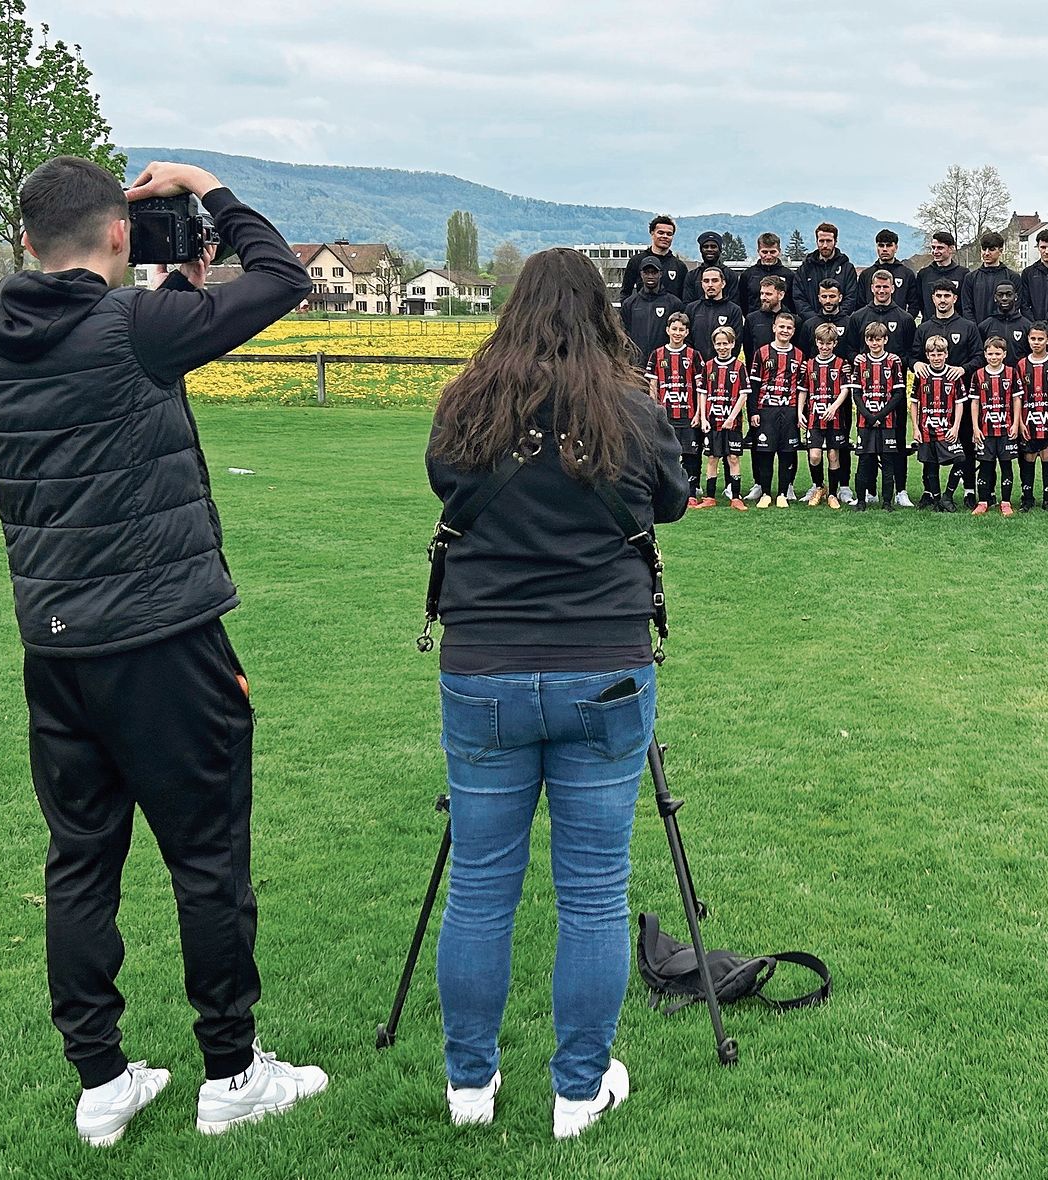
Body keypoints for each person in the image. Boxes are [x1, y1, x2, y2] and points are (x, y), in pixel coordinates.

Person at [0, 156, 325, 1147]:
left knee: (81, 861)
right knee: (207, 859)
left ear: (28, 239)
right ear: (121, 235)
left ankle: (101, 1078)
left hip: (58, 642)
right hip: (162, 638)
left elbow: (93, 376)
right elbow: (284, 278)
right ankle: (232, 1067)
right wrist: (208, 189)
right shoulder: (131, 327)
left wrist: (169, 299)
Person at [427, 246, 688, 1138]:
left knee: (481, 888)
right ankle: (577, 1090)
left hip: (484, 667)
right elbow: (673, 500)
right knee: (592, 893)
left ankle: (471, 1086)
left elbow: (449, 484)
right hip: (603, 667)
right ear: (600, 312)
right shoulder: (629, 404)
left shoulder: (469, 400)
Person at [747, 310, 806, 506]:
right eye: (781, 326)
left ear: (793, 331)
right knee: (765, 451)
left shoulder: (799, 355)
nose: (785, 330)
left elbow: (802, 388)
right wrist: (753, 411)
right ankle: (765, 493)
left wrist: (800, 414)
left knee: (787, 452)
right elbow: (754, 385)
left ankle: (782, 493)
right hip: (766, 409)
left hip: (789, 410)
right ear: (774, 328)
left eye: (789, 328)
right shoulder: (761, 352)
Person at [647, 311, 705, 497]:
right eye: (674, 329)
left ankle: (692, 490)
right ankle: (665, 489)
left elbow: (700, 387)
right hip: (666, 414)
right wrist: (653, 410)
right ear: (667, 330)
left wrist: (698, 414)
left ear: (687, 332)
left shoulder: (694, 355)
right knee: (663, 451)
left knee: (691, 453)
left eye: (681, 329)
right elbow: (652, 385)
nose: (677, 333)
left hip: (688, 414)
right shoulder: (657, 355)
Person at [853, 322, 909, 510]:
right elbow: (856, 393)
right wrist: (868, 416)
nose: (874, 343)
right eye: (870, 339)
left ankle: (887, 502)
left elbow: (899, 394)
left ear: (885, 339)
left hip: (887, 422)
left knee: (888, 462)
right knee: (864, 462)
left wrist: (881, 415)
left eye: (878, 339)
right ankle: (861, 501)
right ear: (866, 341)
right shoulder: (860, 362)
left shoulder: (894, 362)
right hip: (865, 421)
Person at [802, 322, 855, 506]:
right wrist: (799, 411)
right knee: (815, 456)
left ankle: (832, 494)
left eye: (829, 343)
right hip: (814, 418)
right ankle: (819, 487)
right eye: (821, 343)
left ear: (835, 343)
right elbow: (803, 389)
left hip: (835, 418)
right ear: (816, 342)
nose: (825, 347)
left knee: (833, 455)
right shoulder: (809, 365)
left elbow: (845, 389)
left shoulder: (841, 364)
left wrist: (834, 407)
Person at [915, 334, 969, 511]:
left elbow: (960, 402)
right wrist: (915, 428)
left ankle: (948, 495)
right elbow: (914, 402)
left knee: (961, 459)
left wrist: (956, 427)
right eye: (932, 355)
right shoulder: (921, 375)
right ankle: (937, 500)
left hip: (947, 430)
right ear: (927, 355)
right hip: (926, 429)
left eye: (940, 354)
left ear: (946, 354)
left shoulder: (953, 375)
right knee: (931, 465)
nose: (936, 358)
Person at [970, 337, 1023, 515]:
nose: (994, 357)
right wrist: (975, 428)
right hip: (985, 431)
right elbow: (975, 403)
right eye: (990, 353)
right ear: (985, 354)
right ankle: (983, 501)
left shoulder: (1011, 372)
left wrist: (1015, 423)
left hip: (1006, 429)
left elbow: (1017, 399)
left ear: (1004, 354)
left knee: (1006, 466)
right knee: (985, 466)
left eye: (997, 353)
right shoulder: (978, 375)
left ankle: (1006, 502)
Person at [702, 326, 751, 508]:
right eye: (718, 343)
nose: (722, 347)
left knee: (733, 458)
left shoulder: (739, 367)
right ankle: (710, 497)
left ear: (732, 344)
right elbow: (703, 393)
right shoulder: (708, 366)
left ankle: (736, 498)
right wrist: (704, 418)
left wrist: (732, 417)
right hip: (713, 421)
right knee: (713, 457)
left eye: (726, 343)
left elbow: (744, 394)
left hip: (733, 423)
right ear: (714, 345)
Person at [1015, 322, 1048, 510]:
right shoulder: (1021, 364)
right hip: (1028, 421)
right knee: (1028, 457)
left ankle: (1046, 499)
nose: (1036, 342)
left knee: (1047, 455)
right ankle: (1027, 499)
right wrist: (1019, 422)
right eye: (1033, 339)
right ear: (1028, 340)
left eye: (1040, 339)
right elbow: (1016, 397)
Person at [849, 269, 917, 371]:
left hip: (895, 381)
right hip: (865, 379)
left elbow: (911, 352)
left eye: (885, 287)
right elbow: (850, 348)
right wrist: (854, 357)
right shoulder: (857, 317)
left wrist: (901, 360)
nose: (881, 291)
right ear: (872, 288)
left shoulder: (906, 319)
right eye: (878, 286)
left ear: (892, 288)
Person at [621, 257, 682, 363]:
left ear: (661, 274)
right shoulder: (629, 304)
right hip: (637, 364)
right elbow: (624, 334)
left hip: (664, 363)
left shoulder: (674, 303)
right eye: (647, 272)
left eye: (654, 272)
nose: (650, 276)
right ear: (641, 274)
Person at [793, 221, 859, 317]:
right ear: (816, 242)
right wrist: (814, 320)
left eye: (828, 241)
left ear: (835, 242)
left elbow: (851, 297)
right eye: (821, 241)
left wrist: (838, 317)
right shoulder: (805, 269)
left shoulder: (847, 268)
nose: (824, 245)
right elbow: (799, 298)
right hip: (811, 324)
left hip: (839, 324)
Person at [735, 233, 799, 330]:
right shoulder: (747, 275)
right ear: (758, 252)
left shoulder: (790, 275)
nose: (768, 256)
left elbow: (793, 302)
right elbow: (742, 301)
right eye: (764, 252)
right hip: (756, 324)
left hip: (784, 325)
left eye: (772, 252)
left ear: (779, 251)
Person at [620, 214, 687, 302]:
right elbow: (625, 293)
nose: (665, 236)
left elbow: (684, 297)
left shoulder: (680, 266)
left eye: (669, 234)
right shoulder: (636, 261)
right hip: (643, 313)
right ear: (652, 233)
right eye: (661, 233)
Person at [685, 264, 744, 360]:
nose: (710, 285)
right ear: (702, 284)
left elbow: (736, 341)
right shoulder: (691, 309)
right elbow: (687, 339)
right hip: (696, 367)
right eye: (706, 281)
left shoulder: (734, 310)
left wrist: (724, 363)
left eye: (715, 280)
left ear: (723, 283)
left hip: (722, 367)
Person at [854, 229, 919, 316]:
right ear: (877, 247)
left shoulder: (907, 274)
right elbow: (860, 304)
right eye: (881, 245)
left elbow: (914, 304)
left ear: (896, 248)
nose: (884, 249)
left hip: (898, 325)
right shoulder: (866, 275)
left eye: (888, 245)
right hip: (871, 326)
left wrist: (905, 322)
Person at [963, 231, 1021, 322]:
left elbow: (1016, 306)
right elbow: (967, 308)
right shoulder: (970, 278)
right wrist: (974, 329)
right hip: (978, 330)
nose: (986, 253)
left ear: (1001, 251)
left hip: (1004, 329)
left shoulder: (1012, 277)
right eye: (984, 249)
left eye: (992, 249)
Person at [915, 230, 969, 317]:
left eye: (940, 248)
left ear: (951, 249)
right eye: (933, 247)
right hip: (930, 326)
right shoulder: (923, 274)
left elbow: (966, 304)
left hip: (956, 326)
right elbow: (920, 302)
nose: (935, 251)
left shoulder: (963, 274)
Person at [978, 280, 1035, 363]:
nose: (1004, 298)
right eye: (1000, 295)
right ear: (995, 298)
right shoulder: (984, 326)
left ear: (1015, 297)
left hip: (1018, 374)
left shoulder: (1027, 326)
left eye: (1009, 295)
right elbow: (980, 356)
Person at [800, 278, 857, 359]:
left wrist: (850, 365)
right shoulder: (809, 325)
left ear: (840, 297)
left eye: (832, 296)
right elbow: (803, 354)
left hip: (843, 370)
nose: (828, 301)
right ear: (819, 298)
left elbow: (854, 350)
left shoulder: (850, 323)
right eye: (824, 296)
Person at [690, 230, 737, 303]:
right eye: (706, 247)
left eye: (713, 246)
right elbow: (687, 302)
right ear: (701, 250)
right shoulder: (691, 276)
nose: (709, 249)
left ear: (720, 250)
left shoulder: (731, 275)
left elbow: (734, 302)